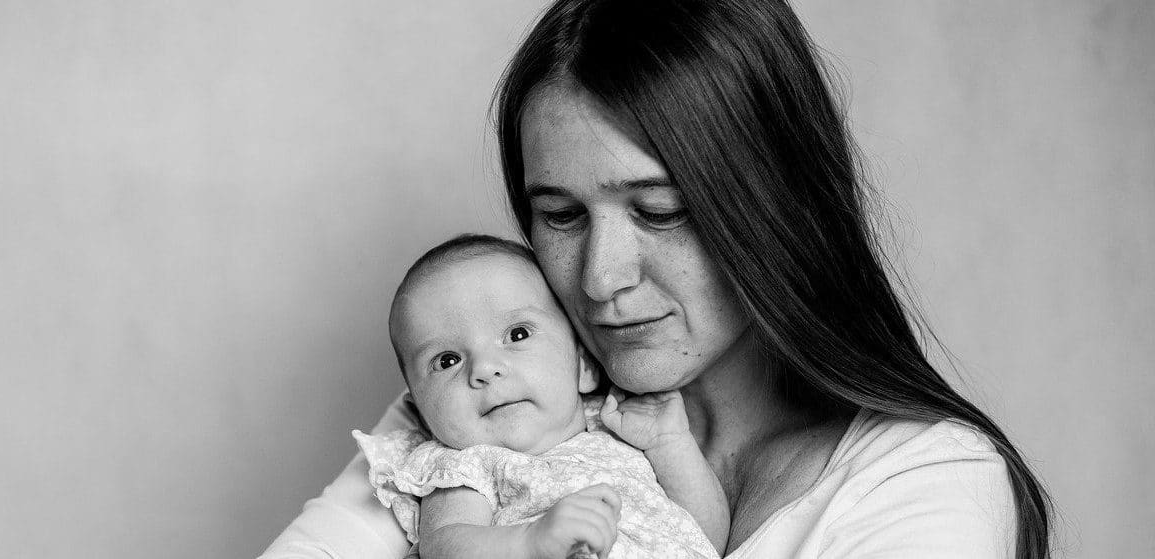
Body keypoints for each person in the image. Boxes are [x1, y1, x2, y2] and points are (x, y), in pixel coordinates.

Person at [259, 0, 1052, 558]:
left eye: (661, 209)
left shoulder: (925, 480)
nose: (600, 278)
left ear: (775, 201)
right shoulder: (484, 407)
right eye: (561, 216)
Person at [353, 233, 723, 558]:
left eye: (517, 335)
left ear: (584, 366)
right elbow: (445, 546)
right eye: (447, 360)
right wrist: (529, 543)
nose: (484, 369)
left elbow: (707, 536)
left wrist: (671, 444)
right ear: (420, 413)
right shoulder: (468, 465)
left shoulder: (622, 430)